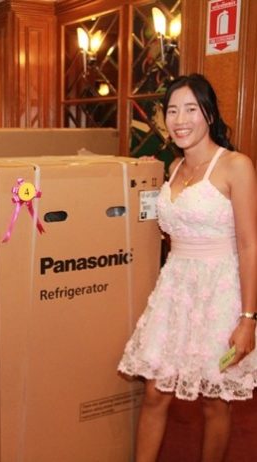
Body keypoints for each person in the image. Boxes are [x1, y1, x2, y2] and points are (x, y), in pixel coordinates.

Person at [118, 73, 257, 462]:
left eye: (191, 109)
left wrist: (248, 318)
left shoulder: (236, 166)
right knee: (154, 391)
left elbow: (249, 245)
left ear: (209, 113)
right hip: (176, 290)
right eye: (172, 111)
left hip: (220, 292)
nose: (180, 120)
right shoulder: (173, 167)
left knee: (214, 400)